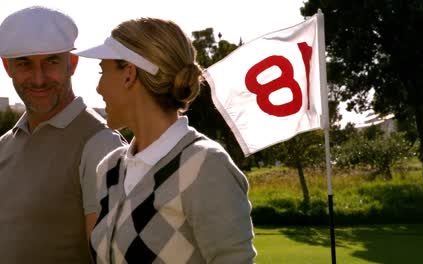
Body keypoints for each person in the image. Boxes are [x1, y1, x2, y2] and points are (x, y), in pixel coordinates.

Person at [76, 17, 257, 263]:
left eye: (102, 71)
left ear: (129, 74)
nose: (98, 88)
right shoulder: (110, 168)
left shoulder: (206, 166)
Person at [0, 6, 125, 263]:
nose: (38, 79)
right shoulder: (4, 145)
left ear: (73, 64)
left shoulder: (101, 144)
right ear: (7, 67)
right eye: (24, 64)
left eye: (51, 62)